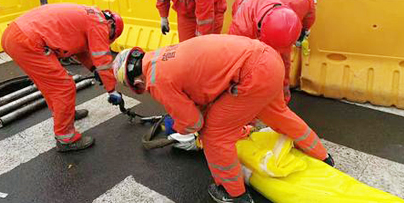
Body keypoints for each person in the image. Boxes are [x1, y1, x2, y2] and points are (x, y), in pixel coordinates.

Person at [112, 35, 334, 203]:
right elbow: (205, 89)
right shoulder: (162, 55)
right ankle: (322, 156)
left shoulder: (155, 79)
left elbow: (194, 123)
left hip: (251, 74)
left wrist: (177, 126)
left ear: (135, 83)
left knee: (215, 135)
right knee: (277, 114)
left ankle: (234, 194)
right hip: (268, 58)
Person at [1, 3, 124, 152]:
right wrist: (111, 90)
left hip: (15, 35)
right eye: (110, 36)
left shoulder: (91, 16)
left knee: (51, 85)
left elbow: (82, 50)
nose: (107, 39)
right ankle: (66, 138)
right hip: (27, 40)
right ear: (110, 24)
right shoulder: (100, 24)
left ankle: (66, 115)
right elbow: (102, 58)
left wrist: (93, 69)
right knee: (63, 87)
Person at [228, 0, 315, 103]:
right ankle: (253, 101)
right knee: (251, 65)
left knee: (283, 61)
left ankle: (282, 98)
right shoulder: (241, 27)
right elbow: (234, 61)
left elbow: (309, 16)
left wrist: (303, 30)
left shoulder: (303, 0)